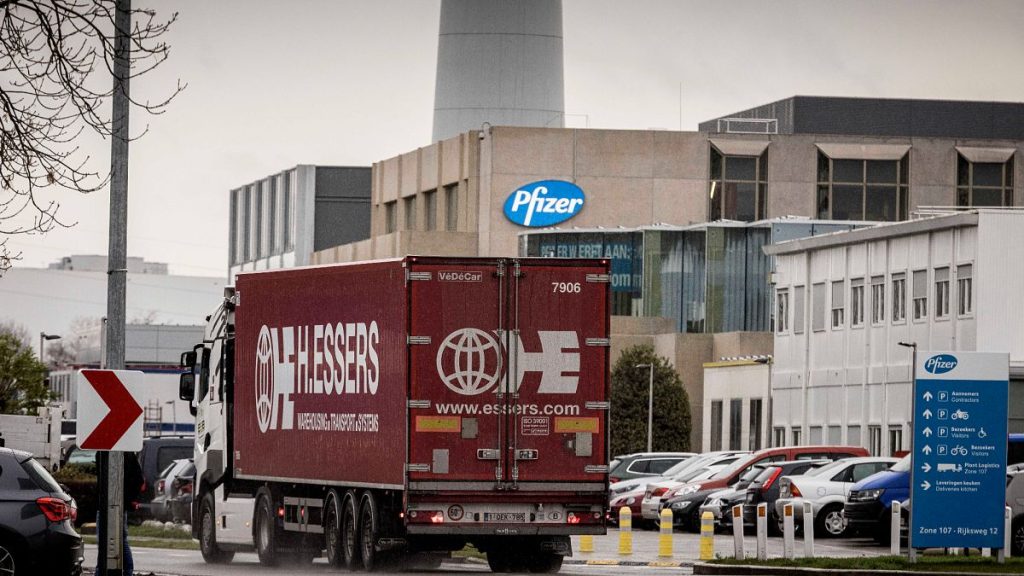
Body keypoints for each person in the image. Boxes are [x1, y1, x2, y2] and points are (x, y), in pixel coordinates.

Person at [97, 452, 143, 576]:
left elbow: (137, 480)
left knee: (108, 541)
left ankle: (122, 571)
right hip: (117, 504)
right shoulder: (126, 453)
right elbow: (138, 479)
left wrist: (126, 499)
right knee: (118, 540)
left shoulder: (105, 453)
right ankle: (126, 571)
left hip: (110, 504)